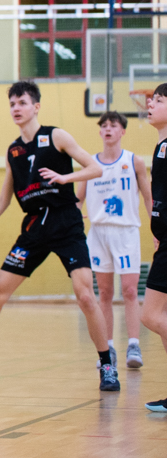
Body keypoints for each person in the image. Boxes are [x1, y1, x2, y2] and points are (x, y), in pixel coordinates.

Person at [0, 81, 116, 390]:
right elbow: (4, 199)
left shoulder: (56, 136)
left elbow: (96, 169)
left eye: (22, 102)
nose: (16, 108)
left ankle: (107, 365)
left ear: (36, 107)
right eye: (12, 104)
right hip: (34, 228)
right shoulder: (13, 151)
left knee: (85, 295)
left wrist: (64, 177)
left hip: (66, 224)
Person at [84, 111, 152, 369]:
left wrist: (157, 229)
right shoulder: (90, 163)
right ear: (100, 131)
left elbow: (148, 198)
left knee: (130, 291)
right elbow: (77, 199)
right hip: (99, 233)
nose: (108, 129)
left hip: (126, 232)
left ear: (122, 131)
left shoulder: (134, 162)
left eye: (113, 125)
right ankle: (108, 348)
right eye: (104, 126)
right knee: (104, 293)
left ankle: (134, 344)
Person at [139, 84, 167, 412]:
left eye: (159, 100)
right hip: (164, 241)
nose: (151, 103)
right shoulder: (161, 146)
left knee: (150, 316)